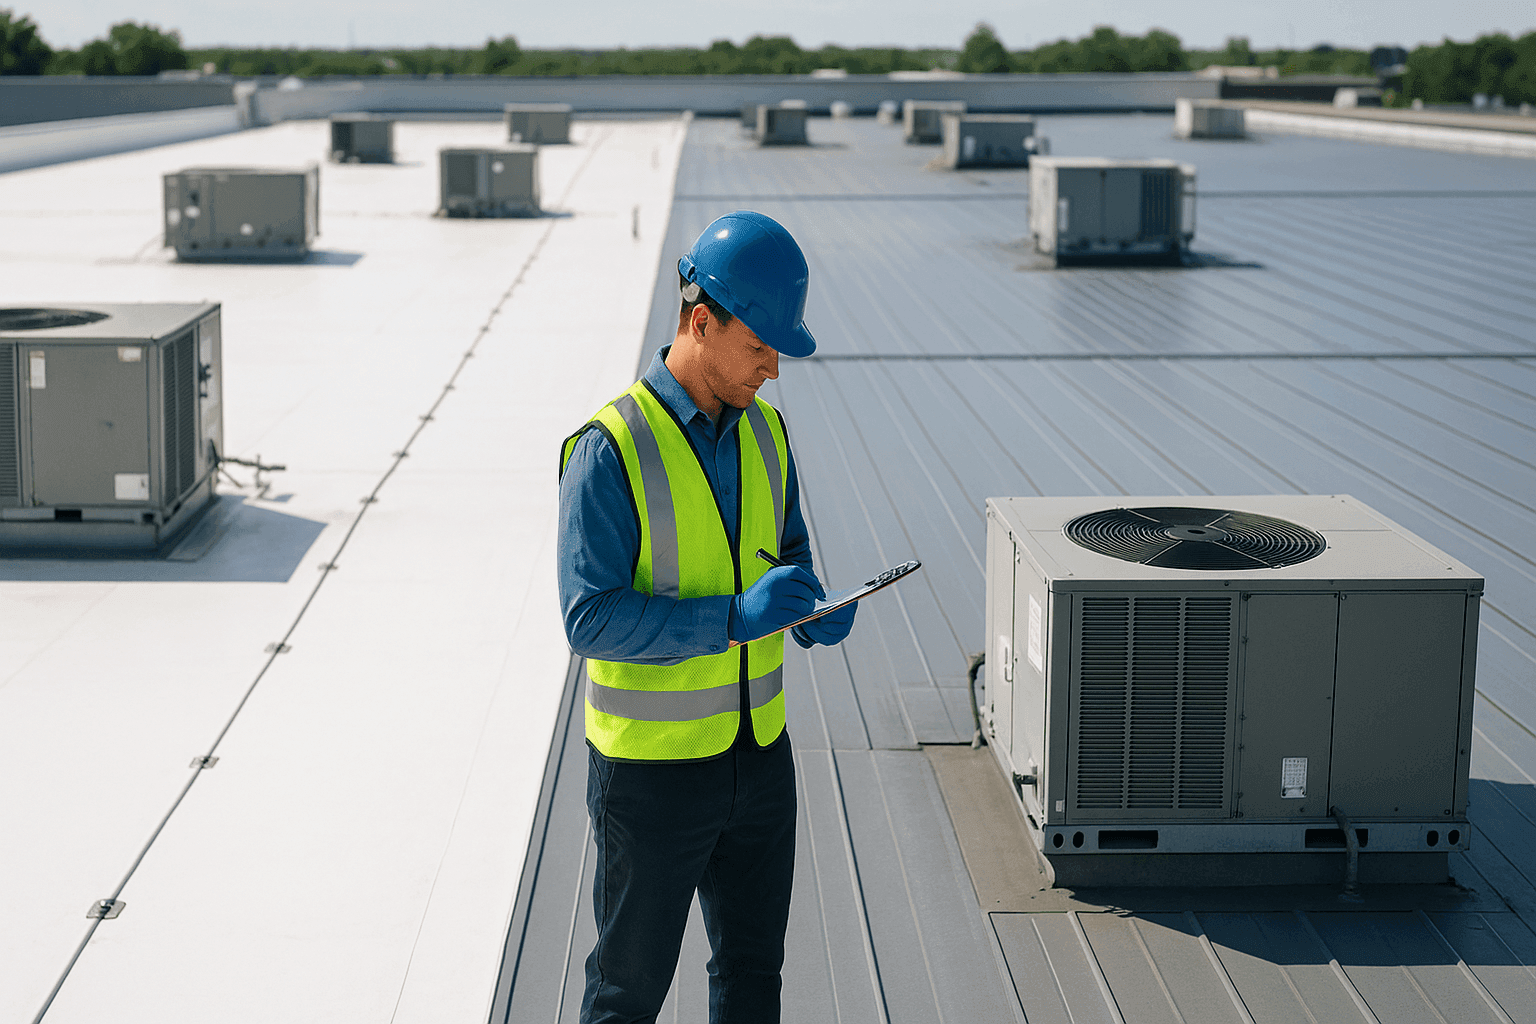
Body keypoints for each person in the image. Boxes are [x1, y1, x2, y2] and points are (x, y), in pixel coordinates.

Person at [557, 210, 857, 1024]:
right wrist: (732, 617)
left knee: (754, 978)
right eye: (761, 349)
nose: (771, 369)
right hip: (651, 777)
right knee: (627, 995)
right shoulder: (610, 448)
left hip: (760, 760)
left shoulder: (769, 434)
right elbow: (589, 618)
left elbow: (785, 555)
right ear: (701, 322)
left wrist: (809, 609)